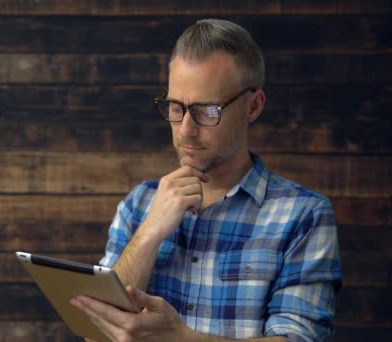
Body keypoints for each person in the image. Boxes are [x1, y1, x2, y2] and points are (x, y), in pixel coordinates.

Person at [70, 18, 342, 342]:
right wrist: (150, 233)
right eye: (175, 107)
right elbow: (95, 335)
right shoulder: (140, 203)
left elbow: (299, 338)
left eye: (207, 110)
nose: (185, 129)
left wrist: (182, 339)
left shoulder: (304, 216)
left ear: (252, 106)